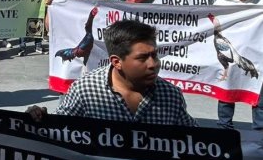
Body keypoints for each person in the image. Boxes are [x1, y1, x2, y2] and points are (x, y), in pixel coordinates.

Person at [29, 20, 196, 125]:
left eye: (154, 55)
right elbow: (60, 130)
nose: (153, 64)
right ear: (117, 62)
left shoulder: (171, 95)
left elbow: (195, 142)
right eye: (142, 58)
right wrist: (38, 120)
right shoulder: (85, 90)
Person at [214, 0, 263, 129]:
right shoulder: (220, 4)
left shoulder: (260, 4)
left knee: (258, 97)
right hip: (230, 56)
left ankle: (259, 132)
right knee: (227, 94)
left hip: (256, 59)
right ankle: (224, 128)